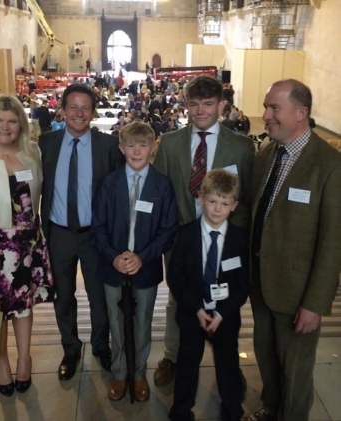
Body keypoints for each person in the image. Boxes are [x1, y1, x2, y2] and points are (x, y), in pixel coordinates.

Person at [153, 75, 255, 387]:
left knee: (224, 298)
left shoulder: (240, 146)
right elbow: (160, 193)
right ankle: (173, 355)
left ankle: (226, 357)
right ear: (186, 104)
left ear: (222, 105)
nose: (199, 111)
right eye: (193, 104)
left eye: (208, 104)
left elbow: (247, 196)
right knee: (179, 298)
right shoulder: (170, 144)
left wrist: (235, 238)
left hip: (224, 240)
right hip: (183, 239)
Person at [248, 79, 341, 421]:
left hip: (298, 293)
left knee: (297, 370)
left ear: (300, 113)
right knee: (267, 357)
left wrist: (315, 304)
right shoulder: (267, 154)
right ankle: (271, 407)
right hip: (260, 283)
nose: (265, 115)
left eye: (274, 108)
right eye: (266, 107)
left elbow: (333, 245)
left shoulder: (329, 166)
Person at [0, 95, 54, 397]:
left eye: (12, 120)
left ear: (20, 124)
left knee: (23, 305)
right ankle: (1, 360)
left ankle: (25, 358)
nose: (5, 127)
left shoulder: (31, 153)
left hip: (27, 243)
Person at [38, 84, 125, 382]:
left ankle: (101, 346)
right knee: (63, 296)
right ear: (62, 109)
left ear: (93, 112)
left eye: (85, 108)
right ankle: (70, 349)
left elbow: (119, 191)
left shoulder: (108, 146)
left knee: (98, 296)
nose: (78, 113)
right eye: (72, 107)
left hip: (94, 236)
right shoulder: (46, 143)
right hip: (59, 233)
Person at [91, 121, 178, 402]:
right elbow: (98, 227)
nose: (136, 150)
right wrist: (114, 256)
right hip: (112, 264)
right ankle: (119, 372)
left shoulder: (162, 185)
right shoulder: (109, 182)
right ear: (121, 147)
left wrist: (142, 257)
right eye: (130, 145)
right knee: (115, 322)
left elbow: (168, 229)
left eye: (143, 145)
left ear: (153, 148)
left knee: (143, 321)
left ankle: (139, 373)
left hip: (146, 265)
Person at [168, 169, 249, 421]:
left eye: (224, 203)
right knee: (188, 360)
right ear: (201, 198)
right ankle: (181, 410)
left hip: (225, 314)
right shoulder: (186, 234)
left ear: (233, 205)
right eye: (212, 201)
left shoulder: (238, 239)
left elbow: (242, 284)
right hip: (193, 311)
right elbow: (175, 277)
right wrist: (197, 308)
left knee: (228, 362)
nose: (217, 209)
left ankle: (232, 409)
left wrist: (222, 313)